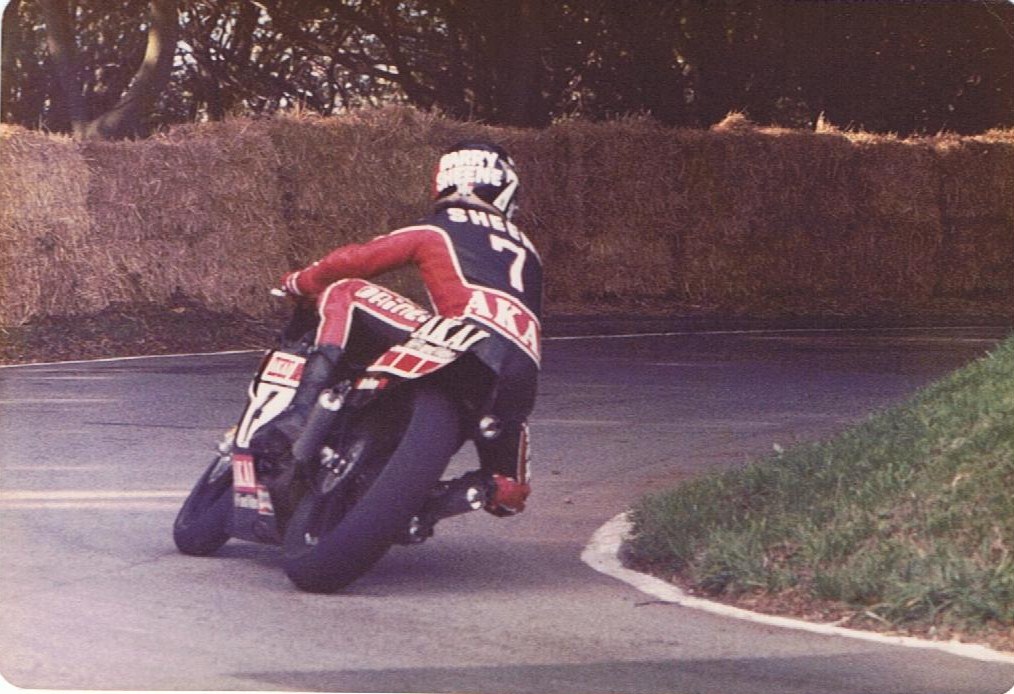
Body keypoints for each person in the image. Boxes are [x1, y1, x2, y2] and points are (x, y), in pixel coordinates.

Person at [252, 141, 543, 517]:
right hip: (518, 377)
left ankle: (299, 414)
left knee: (347, 291)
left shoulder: (440, 227)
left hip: (460, 337)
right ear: (506, 191)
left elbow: (353, 260)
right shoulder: (530, 253)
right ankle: (429, 506)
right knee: (510, 492)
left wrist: (300, 282)